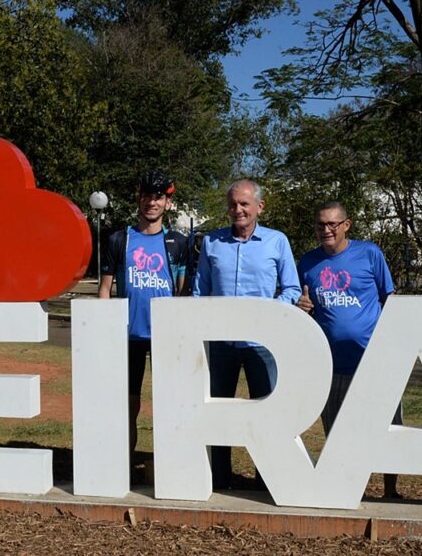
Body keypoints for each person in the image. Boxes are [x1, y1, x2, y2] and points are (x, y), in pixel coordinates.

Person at [192, 179, 301, 490]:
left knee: (267, 410)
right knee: (218, 412)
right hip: (221, 344)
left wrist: (269, 316)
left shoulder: (277, 241)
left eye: (244, 204)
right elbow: (201, 291)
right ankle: (219, 479)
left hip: (263, 345)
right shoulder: (212, 242)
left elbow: (291, 288)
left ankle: (268, 479)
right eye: (232, 204)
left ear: (259, 207)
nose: (237, 210)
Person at [296, 201, 402, 498]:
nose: (326, 230)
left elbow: (389, 298)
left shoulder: (370, 254)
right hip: (329, 361)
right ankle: (342, 485)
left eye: (332, 224)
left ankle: (390, 490)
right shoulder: (307, 262)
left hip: (373, 359)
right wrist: (302, 307)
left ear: (347, 224)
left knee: (388, 427)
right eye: (320, 225)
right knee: (336, 428)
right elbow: (302, 305)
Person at [99, 171, 189, 463]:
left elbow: (182, 292)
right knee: (128, 405)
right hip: (129, 335)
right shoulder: (119, 239)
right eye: (147, 196)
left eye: (158, 197)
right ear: (138, 199)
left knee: (170, 404)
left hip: (165, 336)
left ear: (168, 202)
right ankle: (123, 465)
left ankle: (170, 465)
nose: (152, 202)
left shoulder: (178, 242)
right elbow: (104, 291)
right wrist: (105, 332)